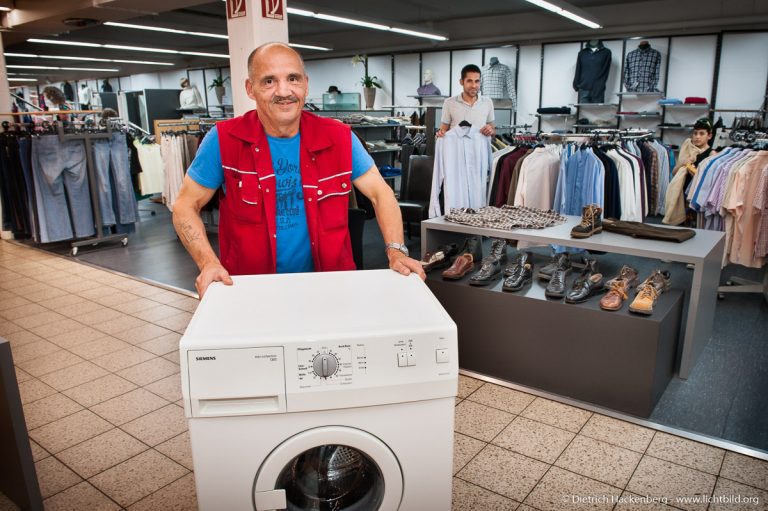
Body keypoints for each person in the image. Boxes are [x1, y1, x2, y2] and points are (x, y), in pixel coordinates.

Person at [172, 42, 425, 298]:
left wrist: (397, 251)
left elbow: (381, 194)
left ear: (305, 83)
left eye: (292, 78)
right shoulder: (223, 140)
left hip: (331, 289)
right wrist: (208, 263)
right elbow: (185, 206)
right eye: (269, 81)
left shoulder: (339, 138)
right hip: (249, 292)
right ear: (250, 89)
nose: (284, 91)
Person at [436, 64, 495, 138]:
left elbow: (493, 132)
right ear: (461, 82)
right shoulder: (449, 103)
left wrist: (491, 131)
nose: (474, 85)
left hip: (479, 148)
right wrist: (441, 134)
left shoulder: (488, 102)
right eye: (469, 81)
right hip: (457, 148)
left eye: (477, 81)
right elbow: (442, 131)